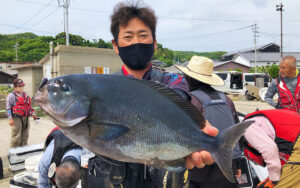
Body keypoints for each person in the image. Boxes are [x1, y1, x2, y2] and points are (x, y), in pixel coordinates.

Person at [86, 2, 218, 188]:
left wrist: (199, 127)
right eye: (128, 36)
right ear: (116, 45)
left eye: (143, 35)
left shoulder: (172, 80)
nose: (136, 42)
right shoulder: (104, 87)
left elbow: (180, 99)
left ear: (154, 43)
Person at [176, 56, 241, 188]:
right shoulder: (226, 99)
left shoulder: (191, 101)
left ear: (188, 78)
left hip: (200, 170)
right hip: (227, 167)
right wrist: (238, 164)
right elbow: (238, 134)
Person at [242, 109, 300, 188]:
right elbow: (283, 160)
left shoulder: (247, 128)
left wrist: (274, 179)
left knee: (283, 185)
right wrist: (272, 177)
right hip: (296, 139)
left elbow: (269, 150)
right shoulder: (260, 122)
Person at [6, 78, 37, 148]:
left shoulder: (25, 94)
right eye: (19, 86)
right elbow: (8, 108)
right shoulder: (11, 96)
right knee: (16, 137)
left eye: (22, 86)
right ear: (14, 87)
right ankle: (13, 151)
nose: (21, 88)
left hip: (25, 117)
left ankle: (23, 151)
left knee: (25, 136)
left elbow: (29, 106)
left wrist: (33, 114)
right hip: (16, 118)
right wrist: (10, 118)